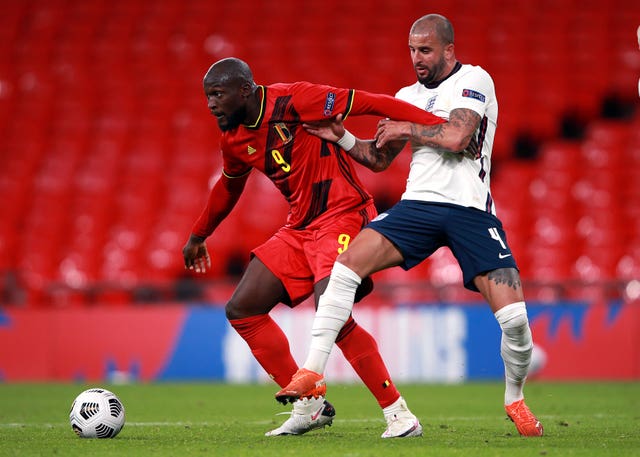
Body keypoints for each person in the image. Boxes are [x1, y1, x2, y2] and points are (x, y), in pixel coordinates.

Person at [276, 14, 544, 437]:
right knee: (345, 266)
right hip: (417, 205)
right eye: (412, 50)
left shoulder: (474, 79)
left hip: (470, 209)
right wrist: (342, 137)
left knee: (514, 321)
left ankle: (515, 398)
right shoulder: (406, 94)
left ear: (448, 50)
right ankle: (312, 371)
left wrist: (406, 126)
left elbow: (460, 139)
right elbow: (381, 159)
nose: (417, 59)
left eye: (426, 50)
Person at [182, 57, 445, 437]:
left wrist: (439, 124)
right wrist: (198, 234)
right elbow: (228, 187)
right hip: (300, 226)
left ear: (244, 90)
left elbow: (370, 102)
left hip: (342, 215)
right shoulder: (235, 138)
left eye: (217, 94)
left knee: (331, 314)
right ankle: (311, 405)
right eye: (207, 96)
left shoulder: (296, 100)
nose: (210, 104)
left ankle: (398, 414)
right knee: (242, 309)